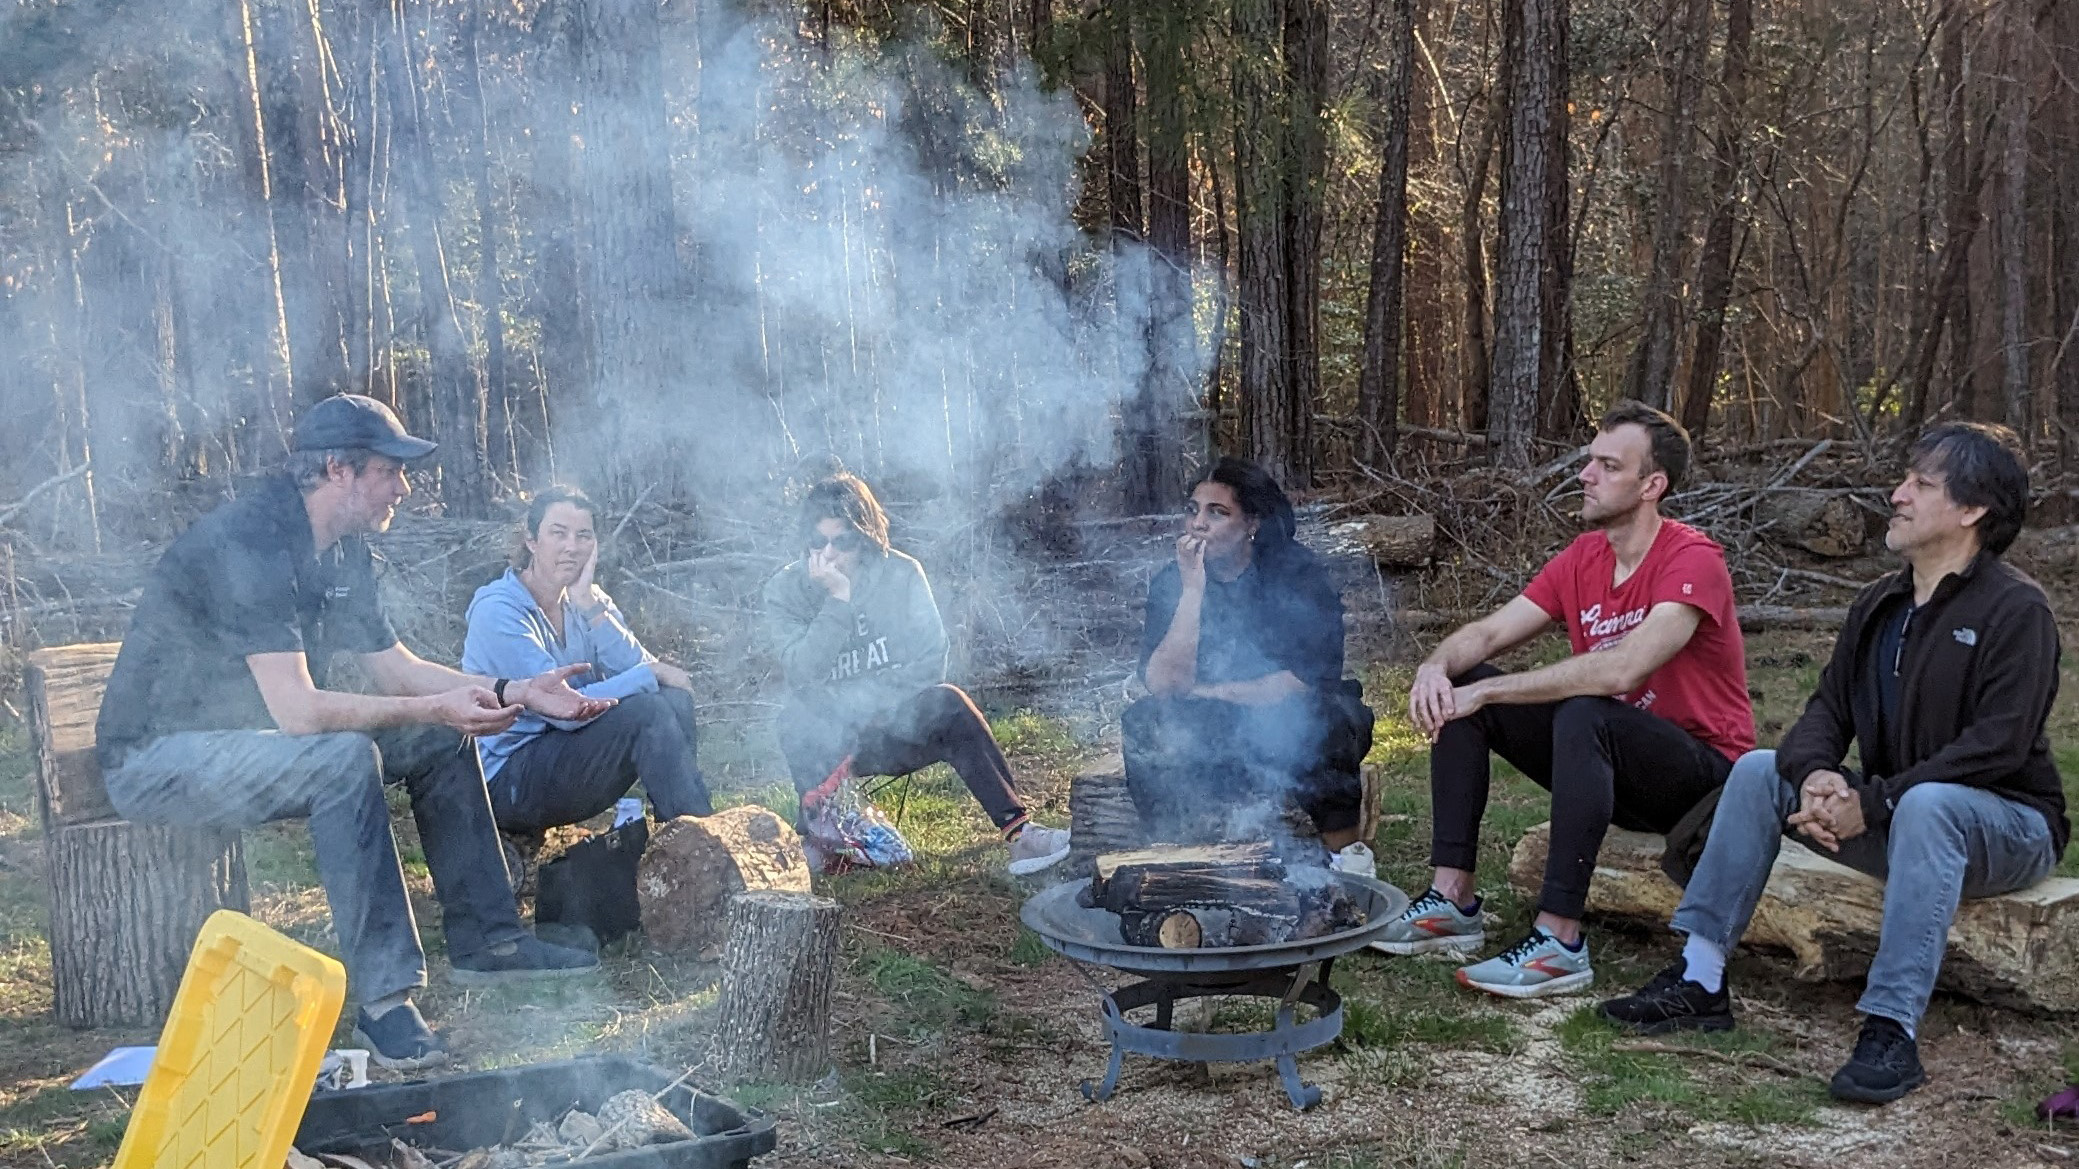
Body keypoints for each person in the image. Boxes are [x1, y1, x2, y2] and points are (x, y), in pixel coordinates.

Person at [95, 394, 606, 1071]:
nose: (404, 487)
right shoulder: (250, 542)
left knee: (439, 737)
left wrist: (514, 690)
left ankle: (491, 941)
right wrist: (438, 705)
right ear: (338, 469)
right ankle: (387, 1004)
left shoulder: (342, 551)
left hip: (250, 744)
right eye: (389, 470)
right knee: (343, 759)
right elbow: (299, 713)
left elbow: (397, 671)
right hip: (155, 759)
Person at [1598, 422, 2066, 1104]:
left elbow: (1996, 746)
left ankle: (1890, 1029)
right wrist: (1817, 775)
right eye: (1905, 479)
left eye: (1920, 484)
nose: (1897, 494)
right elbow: (1826, 709)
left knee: (1929, 804)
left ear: (1971, 510)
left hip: (2008, 826)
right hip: (1901, 812)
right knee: (1760, 770)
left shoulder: (2017, 609)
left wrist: (1873, 802)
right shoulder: (1881, 602)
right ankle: (1699, 976)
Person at [1378, 401, 1753, 998]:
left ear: (1652, 486)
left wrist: (1487, 689)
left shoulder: (1692, 558)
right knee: (1467, 682)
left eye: (1609, 466)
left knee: (1580, 707)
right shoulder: (1584, 558)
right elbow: (1488, 634)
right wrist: (1436, 668)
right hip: (1611, 766)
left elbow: (1624, 669)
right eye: (1590, 461)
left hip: (1704, 785)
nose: (1586, 475)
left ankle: (1559, 942)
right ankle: (1452, 900)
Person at [763, 472, 1070, 874]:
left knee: (950, 703)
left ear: (866, 538)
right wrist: (838, 601)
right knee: (794, 720)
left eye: (843, 542)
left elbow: (930, 660)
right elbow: (802, 672)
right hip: (832, 739)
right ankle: (824, 837)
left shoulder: (902, 575)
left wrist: (872, 705)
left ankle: (1021, 835)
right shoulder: (785, 590)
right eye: (818, 542)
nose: (829, 554)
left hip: (894, 728)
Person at [1124, 457, 1375, 854]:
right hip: (1212, 724)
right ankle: (1172, 852)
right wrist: (1192, 591)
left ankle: (1346, 858)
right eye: (1193, 510)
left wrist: (1208, 693)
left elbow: (1301, 680)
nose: (1198, 524)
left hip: (1285, 716)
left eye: (1217, 512)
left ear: (1252, 524)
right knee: (1143, 722)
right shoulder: (1174, 581)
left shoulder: (1297, 574)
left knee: (1321, 721)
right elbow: (1165, 685)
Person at [462, 486, 713, 838]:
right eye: (558, 533)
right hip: (510, 781)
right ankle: (698, 840)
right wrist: (649, 673)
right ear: (531, 540)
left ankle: (684, 831)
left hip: (565, 755)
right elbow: (562, 710)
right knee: (647, 712)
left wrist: (590, 606)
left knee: (672, 700)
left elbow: (649, 674)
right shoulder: (497, 611)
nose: (572, 546)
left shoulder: (587, 600)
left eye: (583, 535)